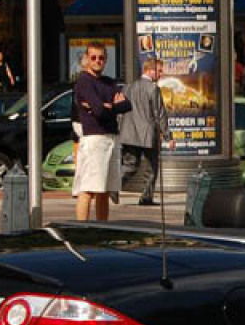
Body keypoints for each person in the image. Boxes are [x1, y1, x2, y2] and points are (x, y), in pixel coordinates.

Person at [72, 43, 130, 221]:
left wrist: (107, 106)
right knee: (89, 189)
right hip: (94, 139)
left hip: (112, 138)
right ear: (87, 59)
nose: (98, 61)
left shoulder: (108, 82)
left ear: (106, 60)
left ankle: (103, 228)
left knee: (104, 190)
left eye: (101, 58)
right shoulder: (84, 81)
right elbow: (98, 110)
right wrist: (111, 106)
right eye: (94, 57)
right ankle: (82, 229)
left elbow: (127, 105)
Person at [119, 58, 172, 207]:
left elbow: (120, 111)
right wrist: (167, 135)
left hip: (129, 133)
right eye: (159, 70)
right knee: (152, 167)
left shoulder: (128, 87)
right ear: (150, 70)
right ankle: (146, 197)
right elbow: (159, 113)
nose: (161, 74)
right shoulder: (153, 89)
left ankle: (113, 186)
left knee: (130, 165)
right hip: (148, 134)